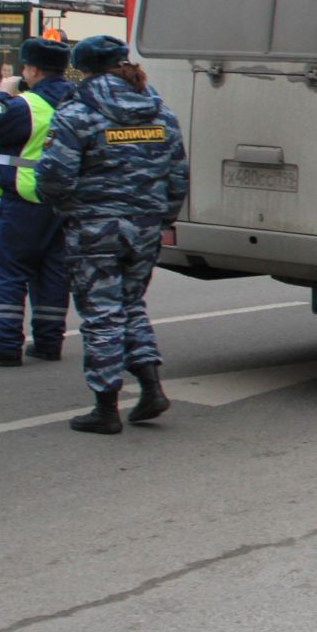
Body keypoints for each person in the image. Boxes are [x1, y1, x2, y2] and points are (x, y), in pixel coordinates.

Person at [36, 36, 189, 434]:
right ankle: (151, 387)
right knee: (131, 303)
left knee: (101, 313)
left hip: (95, 226)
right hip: (145, 226)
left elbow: (54, 175)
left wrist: (66, 208)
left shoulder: (77, 112)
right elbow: (178, 176)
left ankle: (106, 408)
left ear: (82, 69)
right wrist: (159, 216)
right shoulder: (159, 111)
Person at [0, 38, 76, 368]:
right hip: (63, 206)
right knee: (54, 273)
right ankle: (48, 341)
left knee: (7, 272)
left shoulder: (26, 105)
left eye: (25, 67)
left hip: (23, 204)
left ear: (33, 70)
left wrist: (1, 91)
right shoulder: (75, 101)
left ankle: (6, 343)